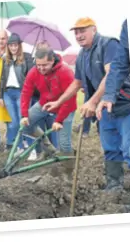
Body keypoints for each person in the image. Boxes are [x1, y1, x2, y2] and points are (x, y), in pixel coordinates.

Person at [43, 17, 122, 191]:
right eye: (76, 32)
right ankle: (115, 186)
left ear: (94, 29)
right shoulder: (82, 55)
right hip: (103, 107)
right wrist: (58, 101)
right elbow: (77, 82)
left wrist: (93, 101)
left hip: (123, 103)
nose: (79, 35)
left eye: (82, 31)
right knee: (109, 146)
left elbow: (111, 75)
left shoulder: (108, 45)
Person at [96, 20, 130, 210]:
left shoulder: (107, 45)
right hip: (123, 102)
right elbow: (120, 64)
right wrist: (109, 95)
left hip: (128, 104)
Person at [20, 47, 77, 158]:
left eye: (44, 65)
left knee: (64, 143)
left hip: (66, 107)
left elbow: (70, 98)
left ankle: (68, 170)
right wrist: (24, 115)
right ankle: (49, 148)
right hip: (45, 103)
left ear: (52, 60)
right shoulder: (34, 72)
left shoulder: (65, 72)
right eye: (38, 65)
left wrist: (59, 120)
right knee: (25, 126)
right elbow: (26, 92)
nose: (41, 68)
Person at [0, 33, 34, 152]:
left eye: (16, 45)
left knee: (23, 121)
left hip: (21, 93)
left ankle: (30, 147)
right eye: (11, 45)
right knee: (13, 124)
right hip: (8, 93)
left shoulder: (27, 58)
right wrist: (0, 96)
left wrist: (30, 63)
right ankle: (19, 147)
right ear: (8, 46)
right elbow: (2, 78)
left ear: (19, 46)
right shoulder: (5, 60)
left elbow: (30, 77)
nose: (13, 48)